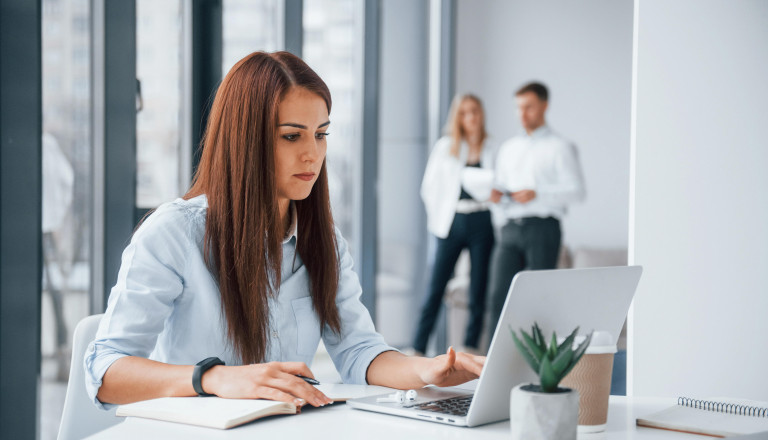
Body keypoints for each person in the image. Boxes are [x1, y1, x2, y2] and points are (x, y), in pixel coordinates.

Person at [84, 51, 484, 409]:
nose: (313, 153)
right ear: (245, 140)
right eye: (292, 136)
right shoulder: (173, 233)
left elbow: (358, 350)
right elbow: (105, 372)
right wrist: (215, 378)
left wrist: (426, 371)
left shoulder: (324, 241)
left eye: (321, 134)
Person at [486, 82, 585, 335]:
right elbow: (500, 186)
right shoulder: (508, 148)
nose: (523, 114)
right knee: (499, 297)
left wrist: (538, 194)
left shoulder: (560, 147)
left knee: (540, 300)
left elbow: (577, 191)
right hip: (509, 229)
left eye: (529, 107)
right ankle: (491, 368)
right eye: (519, 108)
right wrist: (497, 199)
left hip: (543, 229)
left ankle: (538, 367)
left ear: (544, 106)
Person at [413, 94, 496, 356]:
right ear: (457, 117)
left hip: (482, 220)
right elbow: (428, 188)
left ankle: (470, 347)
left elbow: (500, 184)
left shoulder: (491, 147)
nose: (470, 117)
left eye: (475, 111)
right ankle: (418, 347)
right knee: (436, 287)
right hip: (452, 222)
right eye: (465, 112)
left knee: (478, 288)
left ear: (481, 114)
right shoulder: (445, 146)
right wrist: (437, 219)